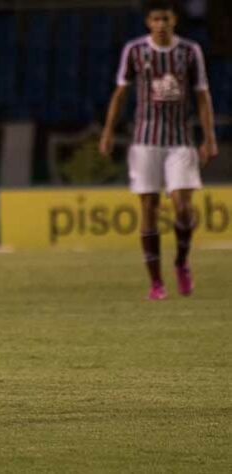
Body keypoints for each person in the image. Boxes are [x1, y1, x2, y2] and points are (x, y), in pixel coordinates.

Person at [99, 0, 218, 300]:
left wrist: (209, 137)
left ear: (174, 20)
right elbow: (121, 93)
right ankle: (156, 282)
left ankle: (181, 261)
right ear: (148, 22)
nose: (161, 24)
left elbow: (202, 96)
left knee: (182, 206)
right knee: (149, 209)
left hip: (180, 139)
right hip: (145, 139)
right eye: (155, 19)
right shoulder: (135, 51)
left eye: (165, 18)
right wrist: (108, 131)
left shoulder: (190, 52)